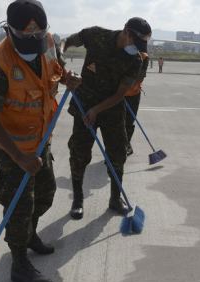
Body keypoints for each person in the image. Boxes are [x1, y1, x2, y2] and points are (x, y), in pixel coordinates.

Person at [0, 0, 80, 282]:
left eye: (38, 35)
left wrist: (68, 77)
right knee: (19, 206)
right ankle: (19, 262)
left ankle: (30, 234)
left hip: (41, 139)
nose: (34, 41)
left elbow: (57, 68)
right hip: (13, 148)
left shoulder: (47, 42)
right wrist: (19, 157)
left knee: (46, 194)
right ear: (9, 30)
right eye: (26, 37)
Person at [62, 17, 151, 220]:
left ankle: (115, 198)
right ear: (126, 32)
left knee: (117, 153)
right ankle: (77, 199)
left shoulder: (136, 60)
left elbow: (120, 94)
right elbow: (66, 41)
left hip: (111, 109)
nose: (137, 49)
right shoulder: (96, 35)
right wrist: (60, 58)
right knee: (79, 153)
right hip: (83, 105)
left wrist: (97, 110)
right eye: (135, 43)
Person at [124, 51, 149, 156]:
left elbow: (140, 77)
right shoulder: (119, 50)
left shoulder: (144, 57)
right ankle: (116, 146)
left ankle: (126, 144)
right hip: (117, 94)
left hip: (133, 94)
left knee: (129, 121)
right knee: (116, 121)